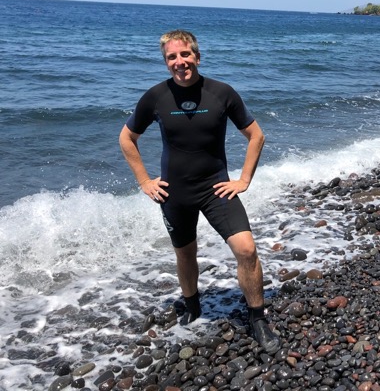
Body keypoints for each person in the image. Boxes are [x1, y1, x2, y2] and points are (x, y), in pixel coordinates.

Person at [119, 29, 280, 353]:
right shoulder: (155, 97)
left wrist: (244, 179)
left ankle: (257, 317)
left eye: (185, 55)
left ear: (197, 55)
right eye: (172, 57)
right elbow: (126, 138)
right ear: (166, 63)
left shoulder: (222, 93)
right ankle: (192, 305)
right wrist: (144, 181)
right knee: (185, 252)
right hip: (174, 193)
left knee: (247, 250)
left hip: (215, 189)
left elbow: (256, 135)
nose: (180, 62)